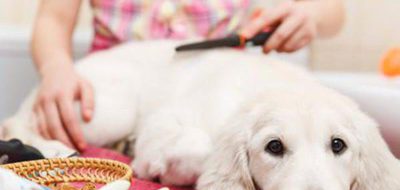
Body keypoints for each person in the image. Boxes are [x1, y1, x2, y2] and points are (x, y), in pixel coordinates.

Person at [31, 0, 345, 150]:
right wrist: (56, 68)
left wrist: (310, 16)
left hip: (209, 110)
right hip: (108, 99)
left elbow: (333, 12)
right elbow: (53, 21)